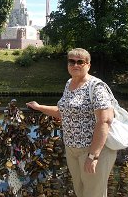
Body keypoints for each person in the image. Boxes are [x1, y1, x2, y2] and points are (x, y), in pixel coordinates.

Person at [26, 48, 116, 197]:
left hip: (92, 149)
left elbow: (105, 120)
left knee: (94, 193)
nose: (75, 65)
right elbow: (63, 111)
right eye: (71, 61)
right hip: (72, 148)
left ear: (88, 65)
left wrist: (93, 156)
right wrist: (39, 107)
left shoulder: (96, 87)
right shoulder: (69, 83)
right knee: (80, 191)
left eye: (80, 62)